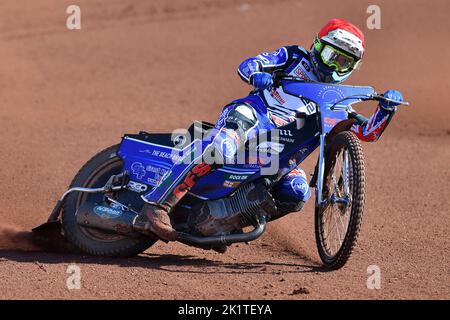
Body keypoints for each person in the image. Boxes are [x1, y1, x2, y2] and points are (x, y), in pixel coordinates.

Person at [140, 19, 404, 241]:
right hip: (254, 116)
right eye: (331, 56)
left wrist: (386, 110)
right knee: (221, 146)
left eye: (344, 63)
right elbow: (248, 64)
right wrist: (258, 75)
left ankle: (223, 222)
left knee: (298, 191)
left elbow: (366, 133)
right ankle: (159, 203)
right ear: (317, 47)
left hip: (281, 155)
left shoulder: (338, 100)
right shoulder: (293, 57)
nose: (335, 67)